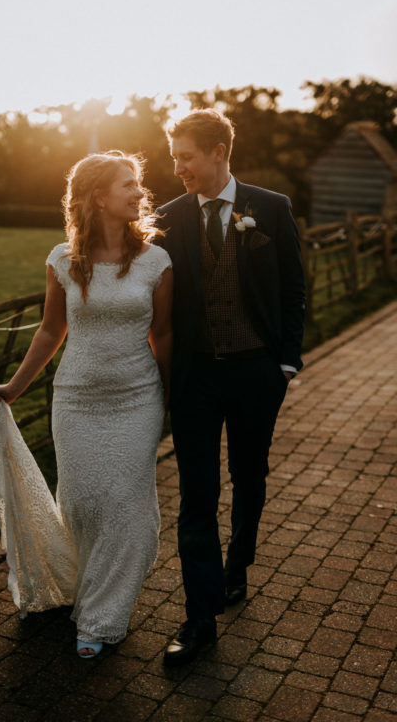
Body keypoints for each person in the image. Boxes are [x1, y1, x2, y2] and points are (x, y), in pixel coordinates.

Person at [0, 151, 173, 658]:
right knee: (85, 503)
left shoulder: (156, 261)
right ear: (97, 197)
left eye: (138, 184)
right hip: (76, 399)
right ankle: (84, 587)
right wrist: (14, 388)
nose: (139, 192)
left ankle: (103, 615)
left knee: (124, 505)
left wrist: (176, 398)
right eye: (127, 184)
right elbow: (50, 330)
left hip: (137, 398)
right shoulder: (62, 260)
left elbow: (164, 334)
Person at [156, 109, 305, 666]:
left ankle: (238, 565)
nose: (178, 168)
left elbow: (293, 290)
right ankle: (200, 619)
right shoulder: (167, 217)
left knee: (249, 474)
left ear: (219, 151)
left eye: (185, 157)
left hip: (255, 374)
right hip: (194, 378)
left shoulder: (270, 207)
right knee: (197, 494)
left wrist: (285, 364)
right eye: (174, 158)